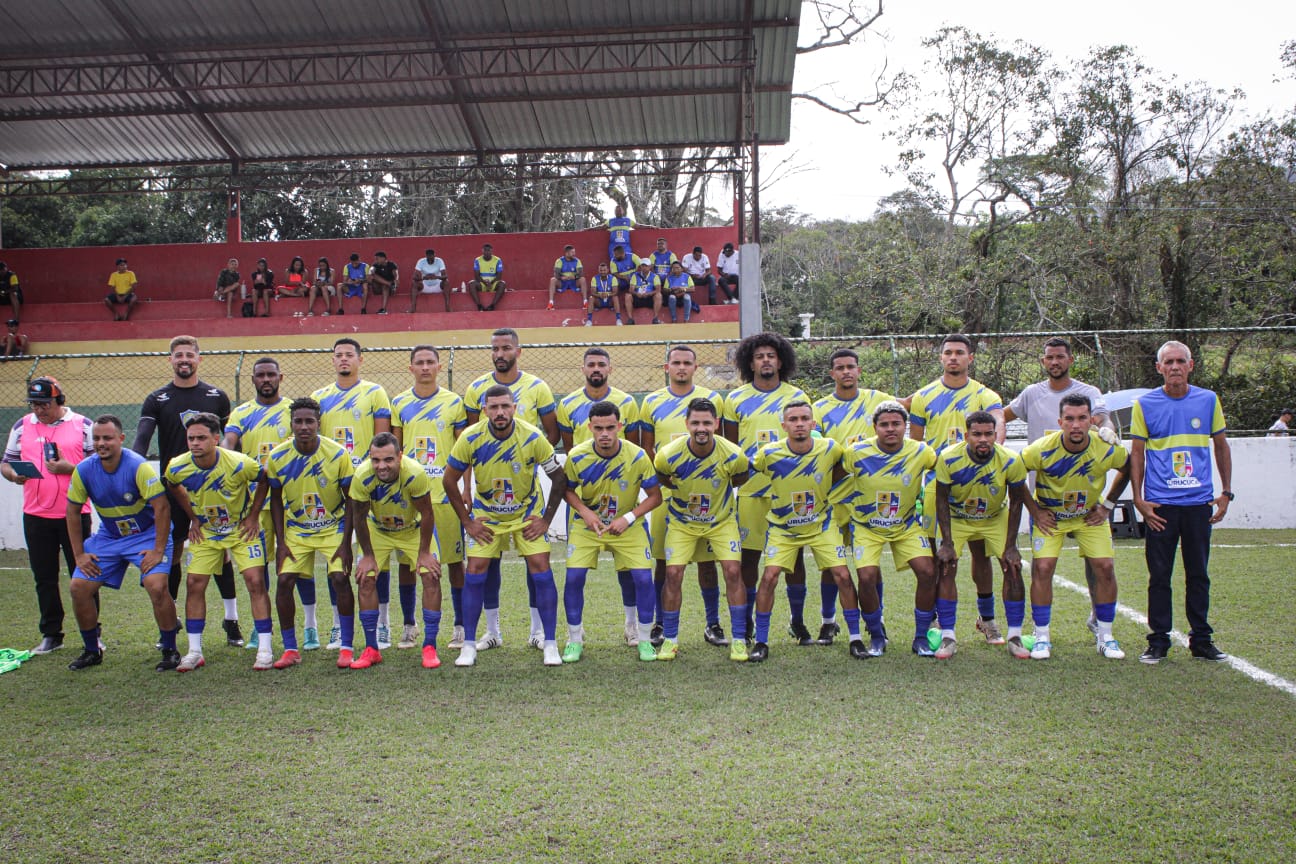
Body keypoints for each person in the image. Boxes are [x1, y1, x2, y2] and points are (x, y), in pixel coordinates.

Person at [443, 384, 567, 667]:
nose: (500, 412)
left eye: (505, 406)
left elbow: (559, 478)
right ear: (485, 410)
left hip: (526, 515)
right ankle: (469, 645)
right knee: (475, 569)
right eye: (494, 407)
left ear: (514, 408)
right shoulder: (471, 437)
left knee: (541, 567)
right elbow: (449, 480)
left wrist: (546, 520)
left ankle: (549, 642)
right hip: (488, 516)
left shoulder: (533, 436)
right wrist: (467, 522)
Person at [1005, 336, 1121, 633]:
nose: (1055, 362)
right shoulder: (1032, 393)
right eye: (1050, 357)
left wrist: (1107, 430)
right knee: (1043, 566)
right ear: (1043, 361)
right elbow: (1001, 416)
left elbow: (1104, 418)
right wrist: (991, 441)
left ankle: (1098, 616)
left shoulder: (1088, 391)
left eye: (1060, 357)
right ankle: (1040, 630)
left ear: (1070, 360)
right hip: (1046, 499)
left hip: (1084, 497)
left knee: (1098, 564)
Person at [1129, 340, 1233, 664]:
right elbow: (1137, 453)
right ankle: (1158, 641)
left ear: (1190, 366)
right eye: (1168, 362)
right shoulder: (1145, 404)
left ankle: (1201, 640)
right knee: (1160, 576)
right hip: (1160, 506)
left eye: (1180, 361)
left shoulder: (1208, 400)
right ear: (1159, 368)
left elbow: (1221, 446)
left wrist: (1226, 492)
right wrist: (1139, 499)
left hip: (1198, 504)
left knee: (1198, 574)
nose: (1174, 367)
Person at [133, 335, 240, 645]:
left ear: (198, 359)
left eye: (189, 355)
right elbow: (142, 438)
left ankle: (231, 620)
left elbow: (230, 441)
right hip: (173, 489)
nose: (184, 360)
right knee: (174, 553)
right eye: (178, 355)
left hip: (213, 490)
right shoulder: (157, 399)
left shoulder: (216, 396)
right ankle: (171, 621)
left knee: (221, 553)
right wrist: (133, 468)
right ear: (170, 359)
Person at [462, 328, 560, 651]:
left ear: (518, 351)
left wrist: (525, 456)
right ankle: (492, 631)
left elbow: (551, 434)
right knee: (487, 562)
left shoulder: (538, 387)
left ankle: (537, 631)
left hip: (525, 491)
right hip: (488, 494)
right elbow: (469, 443)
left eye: (506, 348)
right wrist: (467, 488)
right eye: (495, 348)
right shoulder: (476, 389)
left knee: (536, 561)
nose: (500, 353)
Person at [908, 333, 1006, 645]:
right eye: (948, 352)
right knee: (939, 557)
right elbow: (916, 445)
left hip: (976, 488)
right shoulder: (923, 396)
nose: (953, 357)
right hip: (937, 488)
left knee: (981, 555)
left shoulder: (985, 395)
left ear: (970, 358)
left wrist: (989, 457)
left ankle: (986, 619)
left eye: (959, 352)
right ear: (941, 357)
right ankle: (937, 621)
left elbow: (998, 426)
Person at [748, 402, 865, 663]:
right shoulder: (769, 453)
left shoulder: (830, 447)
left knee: (843, 576)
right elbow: (744, 470)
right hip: (783, 528)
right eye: (793, 419)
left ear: (813, 424)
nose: (799, 424)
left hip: (821, 524)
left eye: (804, 419)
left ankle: (856, 639)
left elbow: (843, 467)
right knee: (769, 577)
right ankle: (761, 641)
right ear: (784, 425)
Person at [1021, 394, 1132, 660]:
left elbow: (1129, 467)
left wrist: (1107, 505)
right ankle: (1041, 636)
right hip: (1052, 517)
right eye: (1069, 419)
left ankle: (1105, 635)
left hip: (1088, 516)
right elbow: (1014, 476)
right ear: (1060, 422)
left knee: (1105, 567)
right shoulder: (1041, 448)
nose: (1076, 425)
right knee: (1043, 568)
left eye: (1082, 418)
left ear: (1091, 420)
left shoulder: (1105, 447)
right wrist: (1035, 511)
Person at [65, 415, 178, 671]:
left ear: (121, 439)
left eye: (107, 438)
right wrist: (79, 555)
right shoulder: (83, 470)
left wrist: (158, 550)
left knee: (157, 585)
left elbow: (162, 507)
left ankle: (170, 649)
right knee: (78, 587)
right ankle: (92, 651)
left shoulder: (138, 466)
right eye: (96, 438)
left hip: (147, 534)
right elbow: (72, 512)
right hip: (110, 536)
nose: (101, 443)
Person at [164, 413, 275, 672]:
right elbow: (172, 484)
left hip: (240, 530)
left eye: (201, 438)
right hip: (207, 531)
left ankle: (265, 649)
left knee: (255, 581)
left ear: (216, 439)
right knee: (194, 583)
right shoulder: (177, 466)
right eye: (191, 438)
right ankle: (194, 651)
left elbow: (264, 479)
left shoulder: (239, 463)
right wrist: (193, 518)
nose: (195, 443)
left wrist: (254, 516)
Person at [723, 332, 812, 644]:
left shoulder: (796, 396)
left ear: (780, 361)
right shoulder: (735, 399)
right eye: (759, 356)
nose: (765, 361)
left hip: (788, 491)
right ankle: (746, 624)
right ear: (750, 363)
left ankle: (797, 621)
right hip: (750, 491)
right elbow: (731, 448)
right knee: (749, 559)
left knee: (794, 559)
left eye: (770, 356)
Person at [640, 345, 729, 648]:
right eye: (676, 362)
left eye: (687, 363)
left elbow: (721, 445)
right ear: (667, 367)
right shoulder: (651, 401)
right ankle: (660, 623)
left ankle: (713, 623)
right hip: (668, 494)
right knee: (664, 563)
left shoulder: (712, 399)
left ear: (695, 367)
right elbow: (647, 449)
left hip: (706, 495)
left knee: (707, 563)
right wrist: (665, 480)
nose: (681, 367)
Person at [561, 401, 662, 662]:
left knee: (642, 578)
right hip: (588, 526)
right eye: (598, 428)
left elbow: (655, 496)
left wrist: (628, 518)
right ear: (590, 428)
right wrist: (585, 511)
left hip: (627, 524)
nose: (604, 434)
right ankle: (574, 638)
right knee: (574, 578)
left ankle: (643, 638)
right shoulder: (577, 456)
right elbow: (567, 490)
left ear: (619, 426)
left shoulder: (637, 456)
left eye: (610, 427)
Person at [652, 398, 750, 661]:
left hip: (721, 522)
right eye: (695, 423)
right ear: (686, 424)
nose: (701, 428)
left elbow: (741, 477)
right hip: (682, 523)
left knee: (733, 571)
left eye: (707, 422)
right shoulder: (668, 455)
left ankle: (739, 640)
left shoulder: (733, 454)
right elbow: (661, 476)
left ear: (716, 423)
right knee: (673, 573)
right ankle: (670, 639)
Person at [2, 377, 93, 655]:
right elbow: (6, 463)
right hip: (35, 515)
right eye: (34, 404)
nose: (39, 410)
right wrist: (14, 475)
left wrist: (70, 468)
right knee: (44, 578)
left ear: (59, 400)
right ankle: (52, 634)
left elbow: (99, 467)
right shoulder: (22, 426)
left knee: (84, 576)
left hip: (74, 514)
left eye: (44, 404)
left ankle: (92, 634)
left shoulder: (83, 425)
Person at [263, 398, 356, 669]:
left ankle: (347, 647)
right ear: (291, 424)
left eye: (309, 421)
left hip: (333, 526)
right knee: (284, 581)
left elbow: (351, 499)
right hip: (298, 529)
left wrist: (346, 543)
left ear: (318, 423)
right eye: (298, 421)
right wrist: (281, 542)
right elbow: (276, 500)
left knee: (340, 578)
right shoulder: (278, 457)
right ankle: (291, 649)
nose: (303, 426)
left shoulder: (337, 454)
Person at [841, 401, 939, 657]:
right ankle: (877, 636)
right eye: (884, 424)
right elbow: (834, 474)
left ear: (905, 426)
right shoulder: (856, 452)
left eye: (896, 423)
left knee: (928, 572)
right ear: (875, 427)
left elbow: (945, 469)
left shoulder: (922, 451)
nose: (890, 429)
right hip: (866, 527)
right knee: (866, 577)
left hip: (906, 526)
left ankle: (921, 637)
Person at [312, 338, 392, 648]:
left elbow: (382, 438)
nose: (344, 359)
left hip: (369, 484)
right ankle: (336, 624)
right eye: (338, 355)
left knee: (376, 555)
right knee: (337, 556)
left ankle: (383, 623)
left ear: (360, 359)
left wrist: (375, 472)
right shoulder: (319, 397)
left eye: (349, 355)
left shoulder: (375, 392)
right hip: (334, 486)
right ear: (332, 360)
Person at [932, 411, 1032, 660]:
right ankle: (948, 635)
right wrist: (947, 542)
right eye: (977, 434)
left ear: (996, 435)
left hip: (994, 516)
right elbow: (941, 499)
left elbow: (1017, 502)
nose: (983, 439)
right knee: (946, 565)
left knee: (1013, 567)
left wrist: (1011, 546)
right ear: (966, 436)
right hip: (957, 516)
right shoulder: (948, 457)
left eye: (989, 434)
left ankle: (1015, 636)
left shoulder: (1010, 460)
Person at [813, 348, 894, 644]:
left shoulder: (878, 400)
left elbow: (905, 411)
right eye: (840, 367)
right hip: (834, 497)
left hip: (867, 497)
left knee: (869, 565)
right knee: (831, 564)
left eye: (851, 367)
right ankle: (828, 621)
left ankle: (877, 621)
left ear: (859, 371)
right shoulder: (819, 409)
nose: (846, 372)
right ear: (832, 373)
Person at [392, 345, 469, 652]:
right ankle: (409, 625)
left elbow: (464, 452)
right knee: (407, 564)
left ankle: (460, 625)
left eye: (430, 362)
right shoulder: (399, 402)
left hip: (445, 497)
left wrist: (467, 489)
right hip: (411, 497)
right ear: (410, 368)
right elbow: (395, 452)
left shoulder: (454, 402)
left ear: (439, 367)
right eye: (419, 362)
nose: (425, 367)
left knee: (454, 562)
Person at [223, 356, 300, 651]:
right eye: (260, 375)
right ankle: (261, 626)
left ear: (281, 377)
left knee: (296, 566)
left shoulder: (292, 411)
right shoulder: (241, 413)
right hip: (254, 505)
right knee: (259, 568)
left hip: (288, 501)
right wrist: (221, 454)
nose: (266, 379)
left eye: (271, 374)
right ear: (253, 379)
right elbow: (229, 443)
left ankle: (309, 627)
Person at [350, 433, 442, 669]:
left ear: (400, 457)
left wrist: (424, 553)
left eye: (388, 460)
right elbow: (358, 517)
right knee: (365, 579)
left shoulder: (414, 473)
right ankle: (372, 649)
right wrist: (368, 556)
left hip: (412, 529)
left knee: (431, 575)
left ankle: (429, 646)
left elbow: (427, 513)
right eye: (376, 460)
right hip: (378, 530)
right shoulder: (361, 476)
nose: (381, 466)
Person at [623, 258, 663, 325]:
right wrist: (636, 294)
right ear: (640, 266)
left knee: (658, 295)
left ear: (650, 266)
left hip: (649, 298)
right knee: (628, 295)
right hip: (638, 297)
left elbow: (658, 289)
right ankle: (630, 319)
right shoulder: (635, 275)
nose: (644, 268)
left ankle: (655, 318)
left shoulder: (655, 276)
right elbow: (631, 289)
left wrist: (649, 294)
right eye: (642, 266)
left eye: (646, 266)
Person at [548, 245, 586, 311]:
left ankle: (585, 302)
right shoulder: (559, 261)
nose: (574, 254)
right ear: (567, 253)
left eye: (574, 252)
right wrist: (561, 277)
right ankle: (551, 303)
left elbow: (581, 273)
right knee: (553, 280)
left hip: (574, 282)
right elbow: (556, 274)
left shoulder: (577, 261)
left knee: (583, 279)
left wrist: (575, 277)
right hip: (562, 282)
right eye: (572, 252)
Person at [469, 244, 506, 312]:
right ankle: (479, 305)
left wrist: (491, 283)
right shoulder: (477, 260)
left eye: (489, 250)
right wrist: (485, 283)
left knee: (502, 284)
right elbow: (476, 276)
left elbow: (499, 276)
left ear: (492, 251)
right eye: (485, 250)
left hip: (493, 284)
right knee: (471, 284)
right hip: (482, 284)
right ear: (482, 251)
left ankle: (492, 305)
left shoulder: (498, 260)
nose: (487, 252)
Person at [410, 248, 448, 313]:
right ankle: (413, 308)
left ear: (434, 256)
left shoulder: (439, 261)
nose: (430, 259)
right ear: (426, 256)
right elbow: (414, 277)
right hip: (425, 287)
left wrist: (436, 277)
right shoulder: (421, 261)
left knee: (446, 282)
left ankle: (448, 306)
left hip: (437, 286)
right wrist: (424, 278)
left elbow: (445, 276)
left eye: (431, 258)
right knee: (414, 284)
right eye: (428, 258)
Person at [584, 262, 621, 326]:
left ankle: (618, 319)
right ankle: (589, 320)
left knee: (615, 297)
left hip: (609, 301)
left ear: (608, 270)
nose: (603, 272)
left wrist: (607, 295)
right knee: (591, 298)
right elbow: (593, 292)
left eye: (604, 270)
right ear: (598, 271)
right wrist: (600, 295)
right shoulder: (594, 278)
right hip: (599, 301)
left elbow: (615, 292)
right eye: (601, 270)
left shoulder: (613, 278)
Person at [365, 251, 399, 315]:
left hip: (389, 289)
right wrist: (371, 271)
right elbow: (369, 276)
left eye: (377, 259)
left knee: (385, 286)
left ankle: (383, 309)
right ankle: (388, 283)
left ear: (383, 258)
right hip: (378, 289)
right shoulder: (375, 265)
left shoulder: (392, 265)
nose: (376, 260)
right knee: (373, 276)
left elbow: (396, 277)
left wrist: (395, 284)